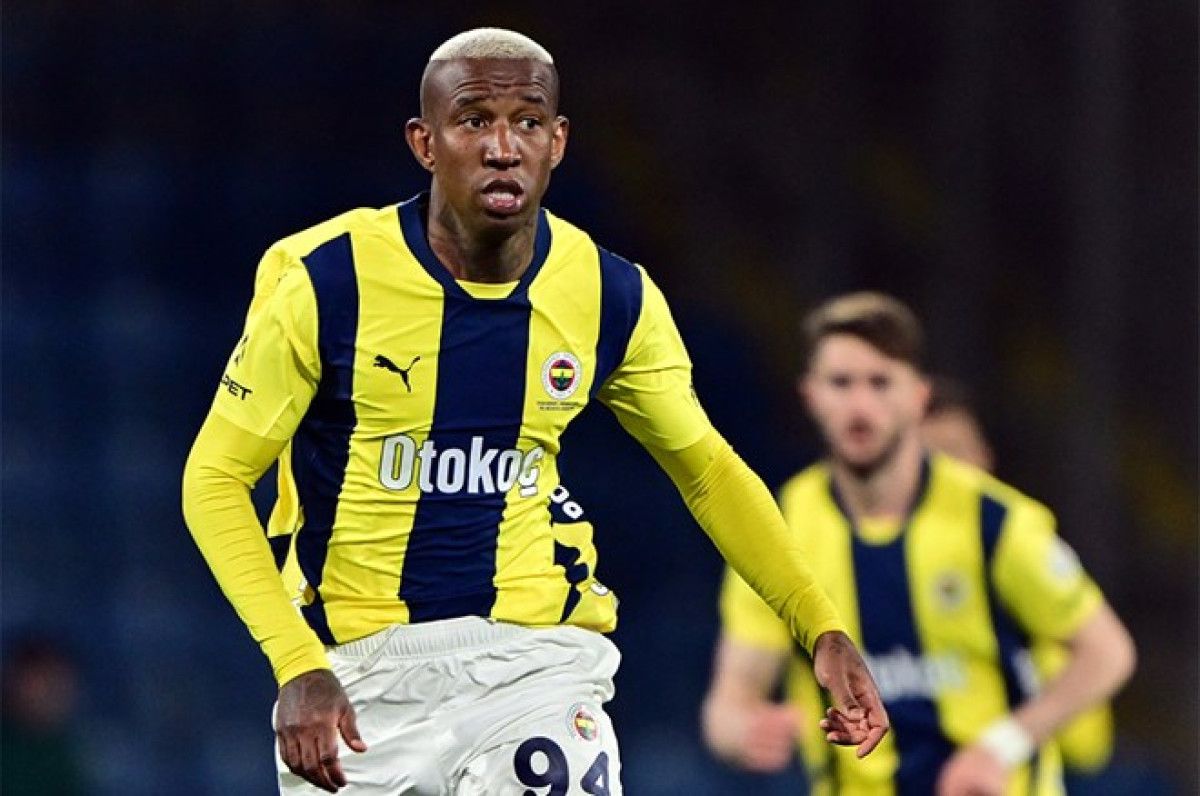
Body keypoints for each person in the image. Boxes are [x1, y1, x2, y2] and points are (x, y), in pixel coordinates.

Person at [182, 28, 888, 795]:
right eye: (473, 120)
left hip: (533, 666)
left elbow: (708, 471)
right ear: (425, 143)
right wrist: (296, 662)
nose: (502, 147)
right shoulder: (328, 282)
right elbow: (214, 479)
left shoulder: (610, 294)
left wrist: (818, 623)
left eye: (526, 122)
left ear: (557, 142)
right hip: (358, 679)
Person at [702, 292, 1136, 795]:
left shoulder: (994, 521)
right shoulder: (781, 530)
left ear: (918, 396)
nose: (860, 405)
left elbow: (1108, 652)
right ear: (810, 395)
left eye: (880, 383)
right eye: (841, 383)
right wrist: (740, 731)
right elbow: (729, 701)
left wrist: (1000, 748)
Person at [919, 376, 1118, 780]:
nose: (949, 473)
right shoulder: (847, 551)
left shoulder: (1021, 546)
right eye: (930, 458)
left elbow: (1088, 747)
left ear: (985, 457)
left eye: (955, 453)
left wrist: (1010, 735)